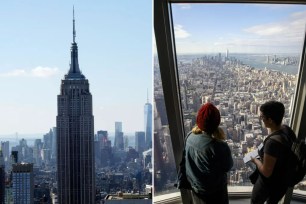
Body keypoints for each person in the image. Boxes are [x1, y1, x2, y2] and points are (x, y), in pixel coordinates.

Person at [185, 102, 233, 204]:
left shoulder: (189, 137)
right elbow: (228, 167)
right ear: (217, 123)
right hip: (215, 192)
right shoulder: (219, 146)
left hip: (195, 188)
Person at [250, 100, 296, 204]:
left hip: (267, 184)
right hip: (282, 181)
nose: (261, 120)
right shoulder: (287, 130)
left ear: (270, 120)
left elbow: (266, 172)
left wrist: (255, 160)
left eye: (262, 117)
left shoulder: (272, 144)